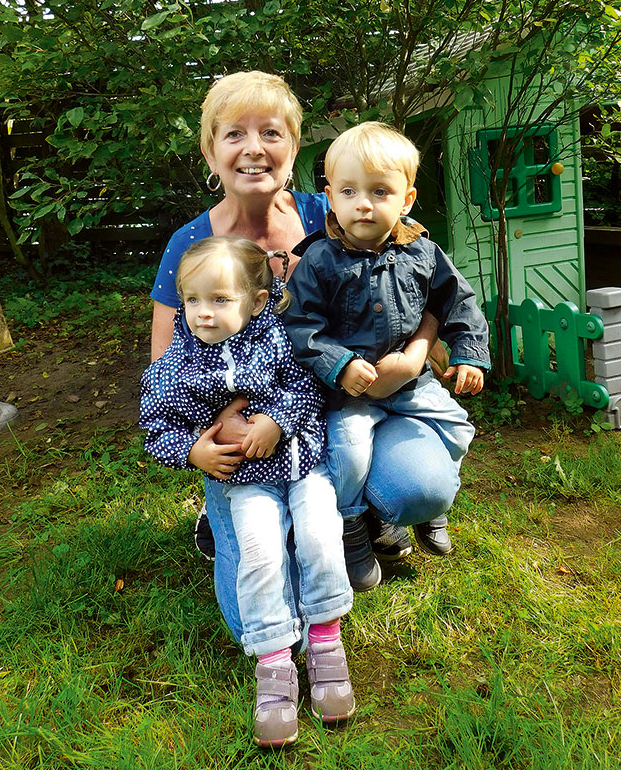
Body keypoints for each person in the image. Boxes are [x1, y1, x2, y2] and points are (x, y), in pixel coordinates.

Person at [149, 70, 461, 638]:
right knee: (259, 604)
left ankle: (364, 507)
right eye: (233, 134)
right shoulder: (191, 245)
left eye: (271, 132)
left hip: (350, 400)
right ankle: (231, 508)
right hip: (248, 426)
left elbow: (429, 279)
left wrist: (418, 353)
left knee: (419, 488)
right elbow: (165, 361)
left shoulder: (344, 202)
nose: (253, 148)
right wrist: (213, 425)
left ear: (295, 148)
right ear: (210, 150)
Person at [141, 237, 354, 747]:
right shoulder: (176, 367)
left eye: (219, 299)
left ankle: (326, 641)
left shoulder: (280, 338)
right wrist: (193, 450)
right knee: (259, 558)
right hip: (246, 481)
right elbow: (155, 427)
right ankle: (275, 663)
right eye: (192, 300)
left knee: (321, 537)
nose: (202, 313)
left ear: (257, 301)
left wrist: (278, 422)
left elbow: (309, 385)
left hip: (305, 465)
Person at [282, 122, 491, 591]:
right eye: (350, 191)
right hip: (350, 392)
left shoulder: (423, 252)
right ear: (330, 195)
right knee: (349, 451)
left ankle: (431, 509)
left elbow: (459, 300)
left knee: (459, 427)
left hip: (411, 382)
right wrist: (338, 364)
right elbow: (300, 325)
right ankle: (353, 527)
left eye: (380, 191)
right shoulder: (318, 260)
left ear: (407, 199)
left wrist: (470, 354)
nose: (364, 203)